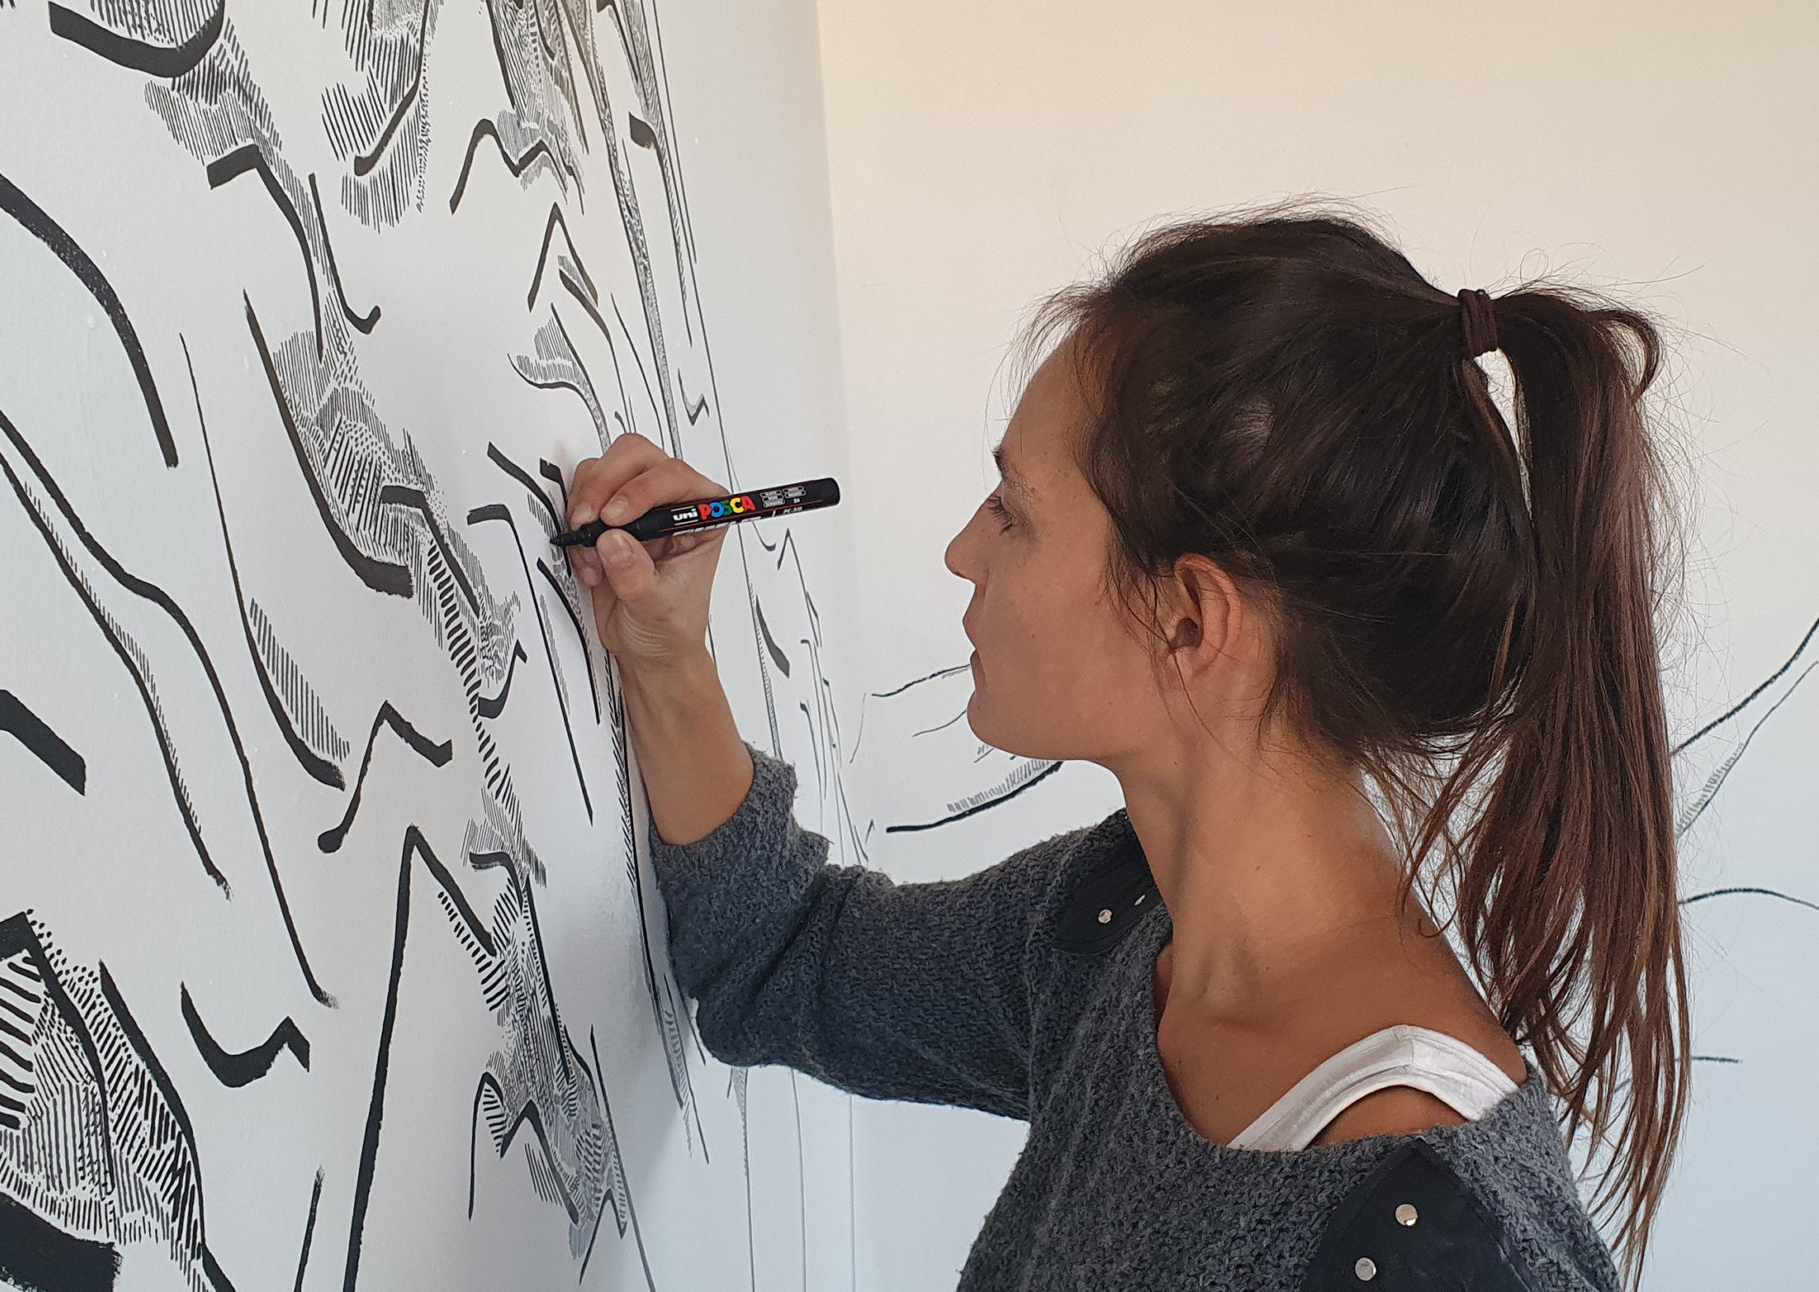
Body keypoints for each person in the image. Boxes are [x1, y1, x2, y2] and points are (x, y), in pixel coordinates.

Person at [564, 210, 1685, 1291]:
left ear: (1190, 622)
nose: (961, 551)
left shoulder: (1426, 1243)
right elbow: (789, 961)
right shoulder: (1116, 926)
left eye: (1013, 512)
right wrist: (665, 654)